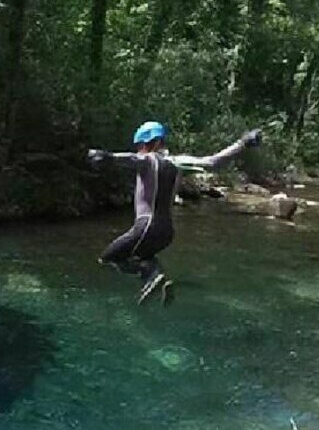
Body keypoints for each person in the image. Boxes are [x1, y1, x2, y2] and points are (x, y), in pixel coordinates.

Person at [87, 122, 262, 305]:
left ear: (149, 143)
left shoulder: (147, 160)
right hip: (167, 233)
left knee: (106, 260)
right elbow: (212, 162)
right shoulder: (178, 162)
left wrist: (107, 157)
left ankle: (150, 275)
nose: (139, 150)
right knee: (143, 256)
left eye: (140, 145)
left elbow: (131, 159)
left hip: (146, 227)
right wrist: (243, 143)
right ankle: (156, 277)